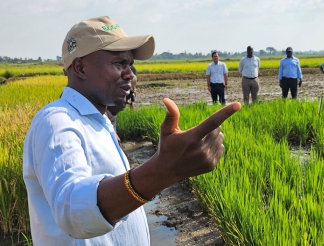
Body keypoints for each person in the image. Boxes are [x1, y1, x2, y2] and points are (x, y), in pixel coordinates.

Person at [22, 16, 242, 246]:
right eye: (119, 64)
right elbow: (72, 210)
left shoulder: (98, 120)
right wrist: (163, 169)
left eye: (130, 65)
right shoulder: (57, 121)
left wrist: (161, 162)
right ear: (80, 67)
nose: (130, 74)